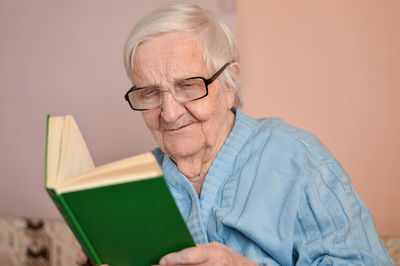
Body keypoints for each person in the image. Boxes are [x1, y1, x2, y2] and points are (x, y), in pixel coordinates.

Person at [77, 4, 394, 265]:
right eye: (149, 93)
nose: (169, 113)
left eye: (188, 86)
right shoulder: (131, 186)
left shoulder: (299, 159)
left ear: (229, 85)